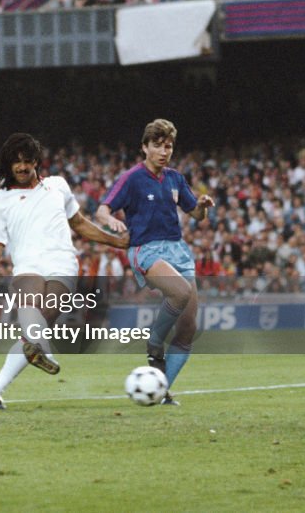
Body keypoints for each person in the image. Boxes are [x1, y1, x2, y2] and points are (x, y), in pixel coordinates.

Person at [0, 133, 128, 410]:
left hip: (62, 264)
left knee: (39, 322)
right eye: (16, 162)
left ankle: (14, 371)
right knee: (31, 315)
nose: (22, 167)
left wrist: (117, 242)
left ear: (36, 162)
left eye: (27, 161)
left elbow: (79, 224)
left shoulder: (57, 186)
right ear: (8, 164)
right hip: (27, 266)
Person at [96, 119, 214, 406]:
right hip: (145, 249)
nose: (164, 151)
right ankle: (154, 342)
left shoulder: (175, 178)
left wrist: (202, 207)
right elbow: (101, 210)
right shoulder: (132, 178)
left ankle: (161, 390)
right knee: (181, 292)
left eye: (168, 146)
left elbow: (194, 214)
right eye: (158, 145)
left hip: (177, 250)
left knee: (187, 329)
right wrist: (111, 219)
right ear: (145, 148)